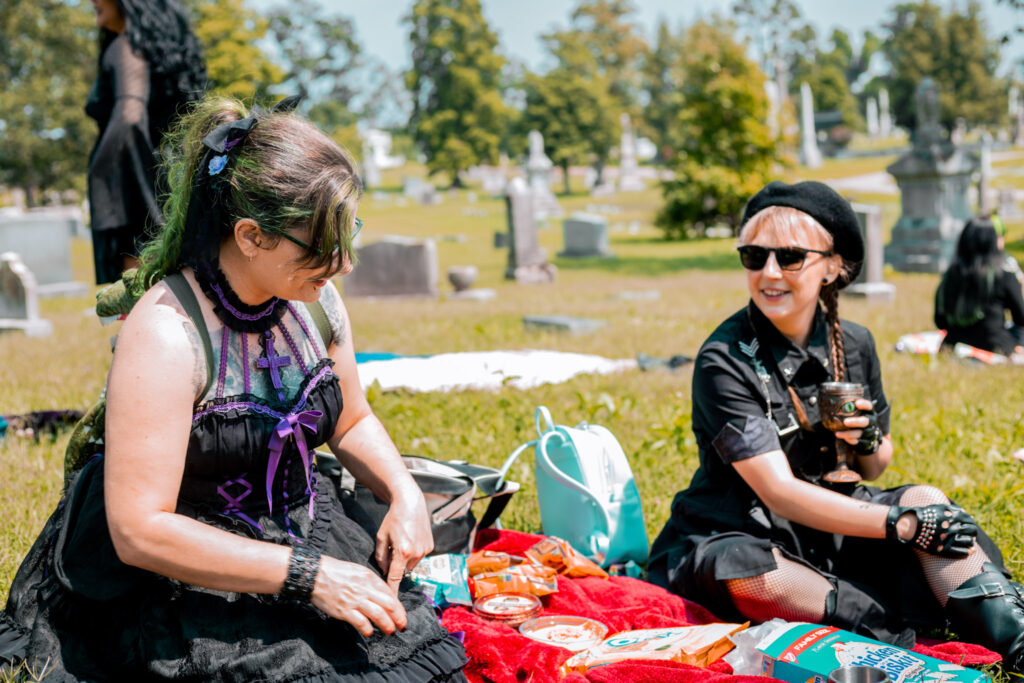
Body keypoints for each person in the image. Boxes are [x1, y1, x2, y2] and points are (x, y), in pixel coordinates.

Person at [0, 97, 468, 681]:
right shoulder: (167, 333)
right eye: (322, 244)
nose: (344, 262)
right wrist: (310, 577)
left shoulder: (315, 299)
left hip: (300, 525)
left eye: (349, 234)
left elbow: (349, 418)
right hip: (184, 571)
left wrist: (403, 494)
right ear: (250, 236)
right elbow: (140, 529)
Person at [648, 181, 1024, 671]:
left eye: (788, 257)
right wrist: (900, 526)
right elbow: (779, 494)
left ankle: (1013, 641)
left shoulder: (857, 343)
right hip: (743, 527)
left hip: (836, 519)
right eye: (753, 256)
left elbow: (875, 466)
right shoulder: (725, 358)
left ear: (833, 266)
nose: (768, 272)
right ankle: (878, 625)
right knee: (752, 576)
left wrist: (867, 441)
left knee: (927, 499)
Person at [86, 0, 206, 284]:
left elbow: (128, 115)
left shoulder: (126, 48)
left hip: (137, 200)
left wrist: (100, 173)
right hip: (170, 186)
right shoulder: (158, 55)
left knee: (141, 300)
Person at [935, 216, 1024, 355]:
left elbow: (940, 321)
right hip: (994, 345)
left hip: (953, 343)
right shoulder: (1004, 275)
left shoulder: (950, 274)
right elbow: (1021, 318)